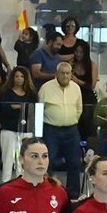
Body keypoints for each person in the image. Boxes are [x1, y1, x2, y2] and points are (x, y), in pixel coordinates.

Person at [38, 62, 83, 197]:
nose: (65, 76)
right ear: (56, 74)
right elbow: (39, 111)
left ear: (71, 74)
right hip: (51, 130)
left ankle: (73, 195)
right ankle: (46, 192)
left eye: (68, 73)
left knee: (74, 162)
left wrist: (69, 120)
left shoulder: (76, 88)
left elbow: (79, 109)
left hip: (71, 130)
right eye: (62, 73)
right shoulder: (46, 88)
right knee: (48, 161)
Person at [0, 67, 35, 183]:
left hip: (26, 130)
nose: (19, 79)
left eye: (22, 76)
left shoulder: (31, 94)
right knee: (7, 160)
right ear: (12, 78)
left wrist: (17, 106)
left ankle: (21, 185)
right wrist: (22, 107)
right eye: (16, 76)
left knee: (22, 161)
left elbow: (32, 110)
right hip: (9, 130)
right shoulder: (6, 93)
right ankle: (5, 185)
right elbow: (6, 109)